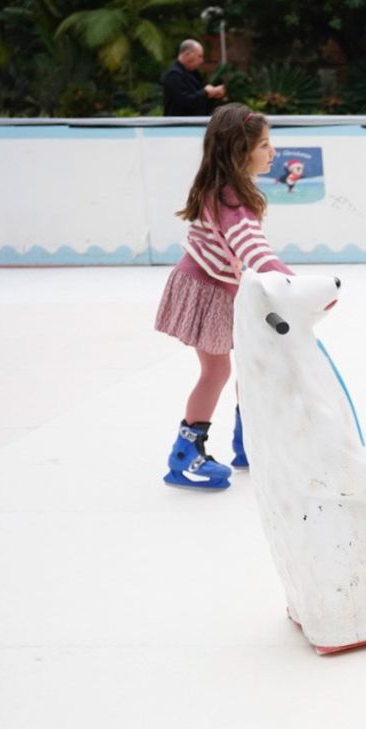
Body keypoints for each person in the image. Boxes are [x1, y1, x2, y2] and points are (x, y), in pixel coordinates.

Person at [152, 103, 292, 491]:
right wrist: (290, 282)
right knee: (217, 371)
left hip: (214, 286)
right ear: (240, 151)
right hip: (207, 290)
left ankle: (248, 443)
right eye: (265, 145)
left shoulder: (227, 190)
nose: (272, 152)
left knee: (247, 363)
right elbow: (252, 248)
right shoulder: (231, 198)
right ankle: (185, 456)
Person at [161, 40, 226, 117]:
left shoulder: (194, 73)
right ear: (187, 54)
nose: (201, 61)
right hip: (179, 124)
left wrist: (213, 94)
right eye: (199, 56)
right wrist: (206, 93)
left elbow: (199, 98)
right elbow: (184, 102)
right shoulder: (173, 75)